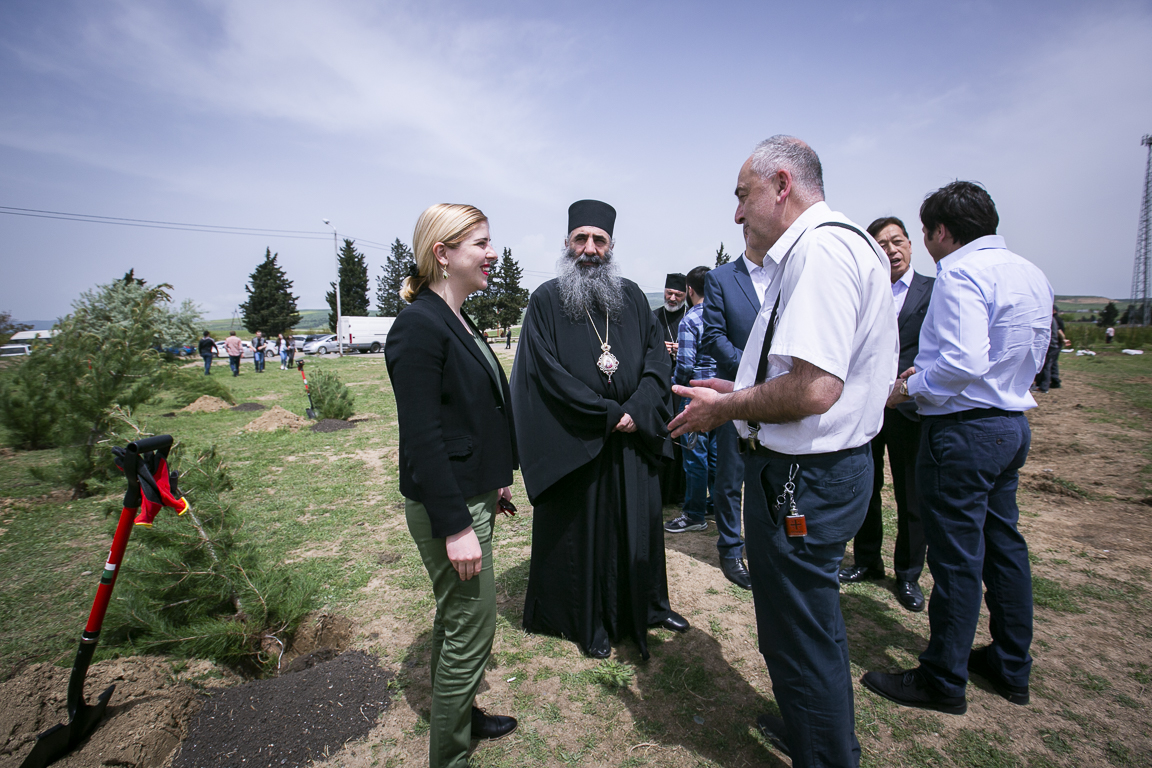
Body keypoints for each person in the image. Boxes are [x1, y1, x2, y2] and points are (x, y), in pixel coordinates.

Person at [670, 136, 897, 767]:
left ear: (781, 184)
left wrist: (726, 409)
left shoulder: (820, 251)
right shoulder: (837, 244)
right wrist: (740, 390)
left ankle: (823, 752)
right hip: (820, 471)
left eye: (742, 195)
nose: (737, 213)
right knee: (808, 625)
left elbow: (815, 389)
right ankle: (815, 733)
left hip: (805, 478)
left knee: (799, 634)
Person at [861, 181, 1052, 717]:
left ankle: (943, 677)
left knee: (956, 558)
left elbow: (964, 361)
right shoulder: (1029, 273)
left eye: (924, 232)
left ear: (941, 231)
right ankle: (1011, 663)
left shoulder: (960, 274)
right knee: (1004, 547)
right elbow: (1033, 353)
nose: (926, 243)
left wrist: (911, 387)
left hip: (964, 430)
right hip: (1010, 422)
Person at [511, 199, 689, 661]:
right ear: (567, 243)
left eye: (599, 240)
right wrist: (606, 414)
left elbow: (656, 360)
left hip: (632, 439)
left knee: (638, 529)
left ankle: (649, 606)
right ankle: (584, 619)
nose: (590, 249)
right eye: (581, 239)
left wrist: (636, 409)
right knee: (583, 535)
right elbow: (544, 374)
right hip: (579, 440)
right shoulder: (545, 300)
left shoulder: (632, 297)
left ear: (611, 246)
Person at [384, 203, 519, 768]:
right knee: (471, 628)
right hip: (451, 508)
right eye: (481, 243)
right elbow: (422, 438)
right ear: (442, 253)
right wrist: (457, 525)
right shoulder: (418, 325)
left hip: (473, 494)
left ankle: (461, 715)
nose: (493, 253)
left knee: (457, 619)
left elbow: (473, 412)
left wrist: (495, 481)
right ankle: (450, 756)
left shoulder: (457, 318)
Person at [840, 216, 935, 613]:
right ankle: (867, 561)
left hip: (911, 407)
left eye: (897, 241)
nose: (891, 250)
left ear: (911, 244)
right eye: (882, 244)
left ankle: (908, 574)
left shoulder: (935, 290)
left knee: (911, 493)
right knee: (867, 486)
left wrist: (906, 384)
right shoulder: (865, 291)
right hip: (867, 405)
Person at [700, 234, 770, 589]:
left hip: (782, 397)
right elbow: (713, 337)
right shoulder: (722, 278)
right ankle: (730, 549)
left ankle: (767, 547)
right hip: (735, 393)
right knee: (730, 478)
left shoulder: (792, 272)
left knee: (773, 474)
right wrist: (757, 370)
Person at [664, 266, 718, 534]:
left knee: (695, 458)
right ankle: (716, 503)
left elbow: (685, 364)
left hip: (695, 394)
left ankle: (694, 514)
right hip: (722, 394)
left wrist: (676, 384)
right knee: (717, 457)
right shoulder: (722, 315)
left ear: (689, 290)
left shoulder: (691, 319)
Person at [654, 273, 688, 507]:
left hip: (683, 388)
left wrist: (682, 351)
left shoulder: (691, 317)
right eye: (669, 293)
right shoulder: (653, 317)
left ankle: (679, 493)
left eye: (678, 294)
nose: (673, 298)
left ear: (686, 295)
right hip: (659, 387)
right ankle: (659, 491)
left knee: (681, 439)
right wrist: (660, 349)